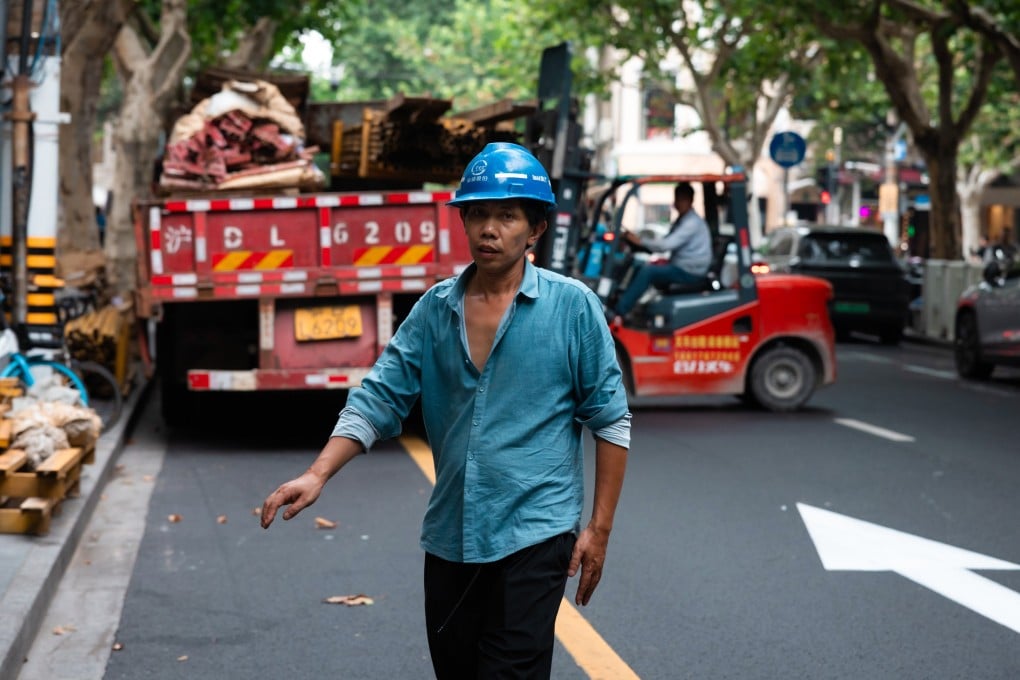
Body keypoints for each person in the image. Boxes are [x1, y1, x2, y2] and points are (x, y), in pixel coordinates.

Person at [261, 142, 631, 679]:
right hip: (452, 536)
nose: (489, 229)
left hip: (536, 533)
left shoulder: (571, 307)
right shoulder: (435, 310)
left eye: (507, 216)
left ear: (535, 229)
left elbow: (611, 419)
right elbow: (379, 397)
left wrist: (599, 530)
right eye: (477, 213)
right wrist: (318, 473)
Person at [609, 181, 712, 321]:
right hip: (683, 266)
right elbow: (664, 241)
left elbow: (665, 245)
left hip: (689, 272)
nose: (676, 203)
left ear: (690, 200)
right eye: (676, 198)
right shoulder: (683, 220)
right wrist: (641, 241)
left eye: (680, 199)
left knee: (648, 271)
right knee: (639, 264)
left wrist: (641, 241)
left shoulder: (691, 223)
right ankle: (626, 304)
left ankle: (618, 313)